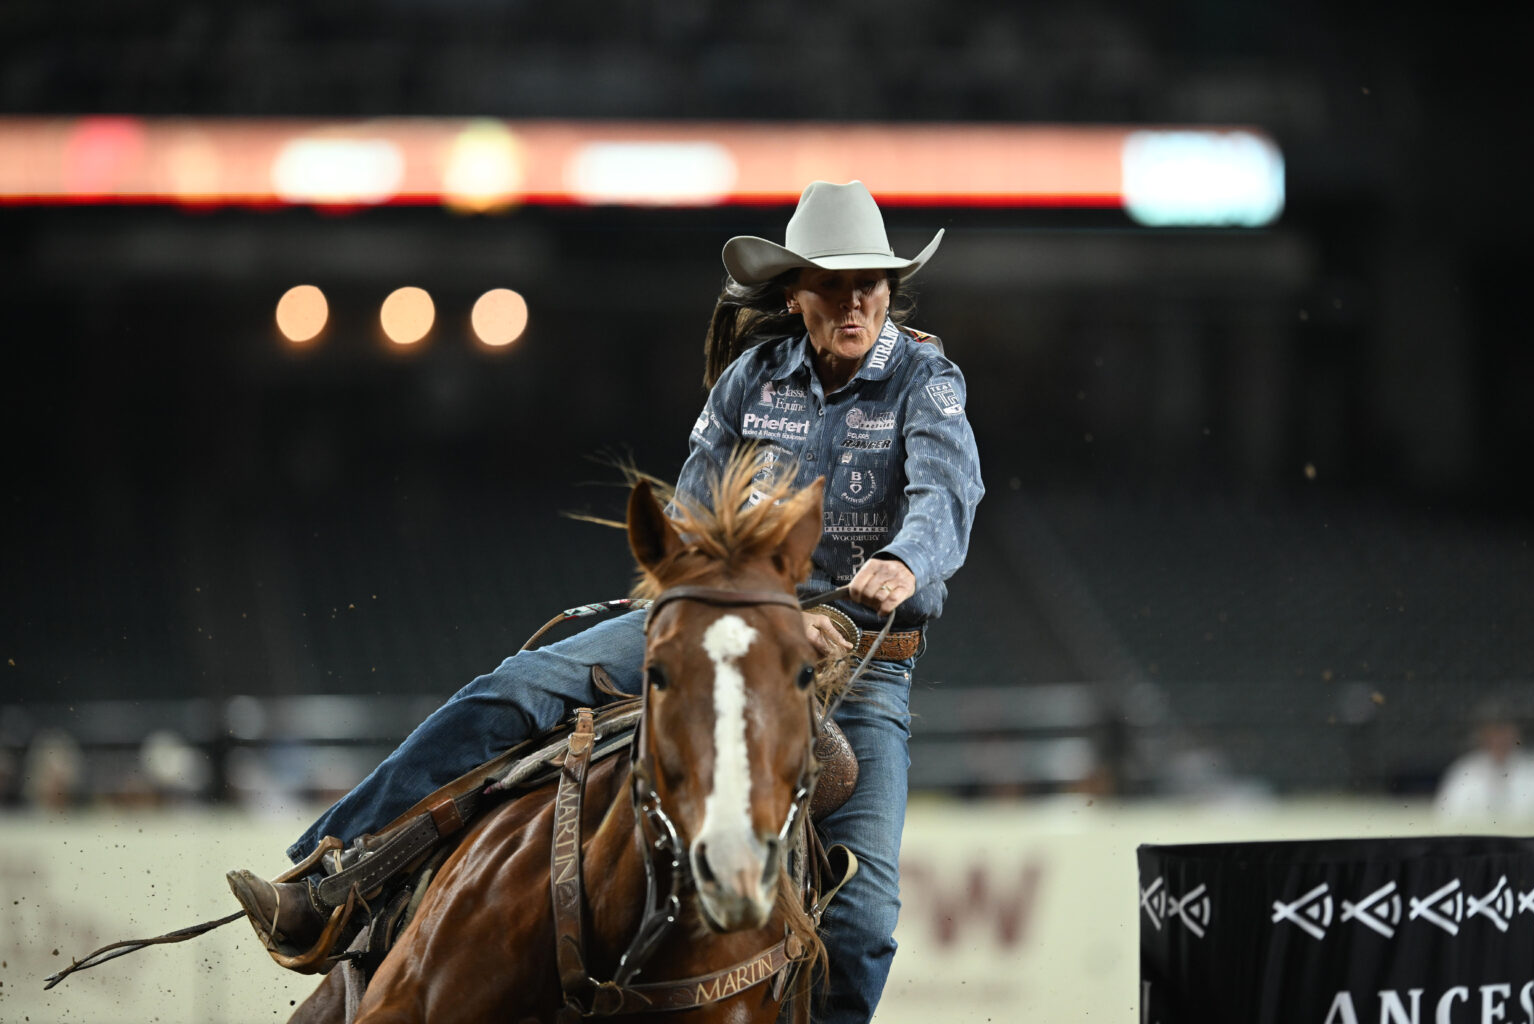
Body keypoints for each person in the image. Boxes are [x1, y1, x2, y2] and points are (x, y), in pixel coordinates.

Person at [227, 179, 984, 1022]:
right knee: (512, 691)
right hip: (721, 628)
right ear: (794, 290)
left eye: (868, 283)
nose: (854, 301)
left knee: (865, 919)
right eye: (833, 283)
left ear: (889, 288)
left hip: (860, 668)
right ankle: (332, 877)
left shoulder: (926, 378)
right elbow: (693, 511)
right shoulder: (749, 380)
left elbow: (945, 496)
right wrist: (754, 597)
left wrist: (901, 566)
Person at [1434, 699, 1534, 821]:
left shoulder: (1532, 768)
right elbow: (1443, 820)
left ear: (1516, 732)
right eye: (1493, 731)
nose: (1499, 738)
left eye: (1504, 730)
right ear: (1483, 735)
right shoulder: (1463, 772)